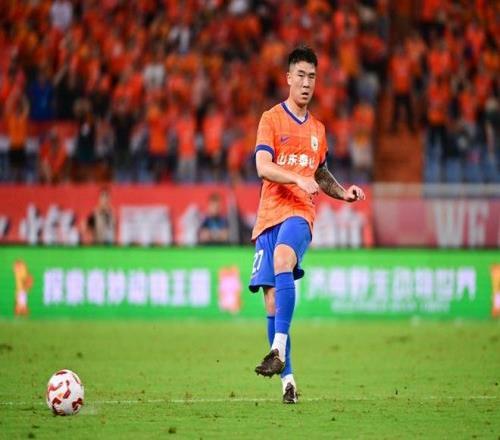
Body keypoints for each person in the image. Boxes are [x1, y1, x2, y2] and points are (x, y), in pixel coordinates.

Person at [249, 46, 365, 404]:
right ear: (288, 78)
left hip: (299, 212)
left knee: (284, 259)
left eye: (312, 77)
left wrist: (343, 193)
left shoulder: (318, 129)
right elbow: (263, 167)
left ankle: (278, 348)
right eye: (300, 75)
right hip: (268, 216)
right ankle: (288, 381)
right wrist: (297, 178)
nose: (306, 83)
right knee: (272, 301)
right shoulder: (271, 119)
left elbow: (320, 173)